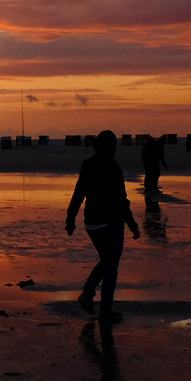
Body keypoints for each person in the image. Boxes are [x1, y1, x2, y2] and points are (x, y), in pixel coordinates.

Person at [66, 130, 140, 321]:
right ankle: (92, 297)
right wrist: (132, 225)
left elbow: (78, 193)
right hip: (110, 223)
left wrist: (70, 219)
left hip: (91, 223)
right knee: (110, 263)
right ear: (112, 149)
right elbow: (122, 201)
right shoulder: (113, 169)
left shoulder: (88, 165)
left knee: (108, 263)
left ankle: (98, 302)